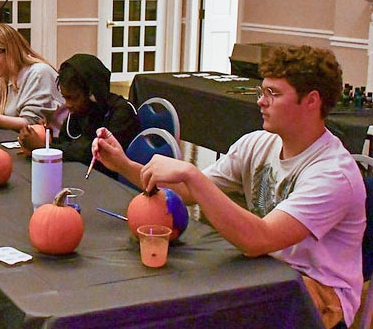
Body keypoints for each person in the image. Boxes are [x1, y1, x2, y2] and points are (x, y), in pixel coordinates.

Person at [91, 45, 365, 328]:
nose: (261, 101)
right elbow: (186, 193)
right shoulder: (258, 143)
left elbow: (260, 238)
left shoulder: (333, 174)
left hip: (316, 298)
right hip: (265, 271)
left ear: (311, 101)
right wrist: (123, 164)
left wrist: (190, 174)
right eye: (262, 91)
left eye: (274, 94)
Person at [18, 53, 140, 178]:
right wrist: (43, 140)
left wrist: (44, 148)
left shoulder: (122, 112)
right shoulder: (79, 112)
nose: (68, 104)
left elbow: (96, 154)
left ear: (92, 94)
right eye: (65, 98)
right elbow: (67, 144)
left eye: (73, 98)